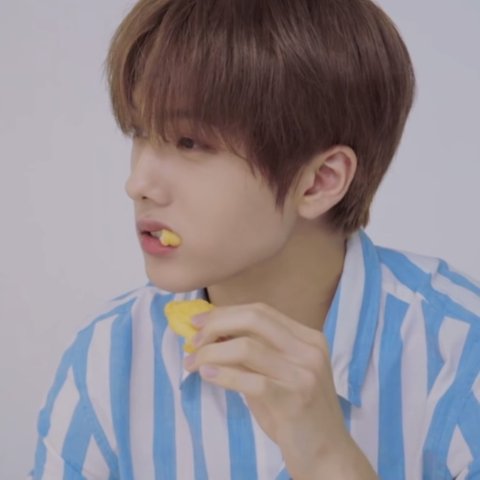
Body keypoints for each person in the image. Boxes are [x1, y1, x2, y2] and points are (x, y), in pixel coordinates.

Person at [29, 0, 480, 478]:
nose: (138, 183)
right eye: (139, 132)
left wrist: (327, 457)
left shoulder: (458, 353)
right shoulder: (109, 357)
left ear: (320, 181)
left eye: (189, 142)